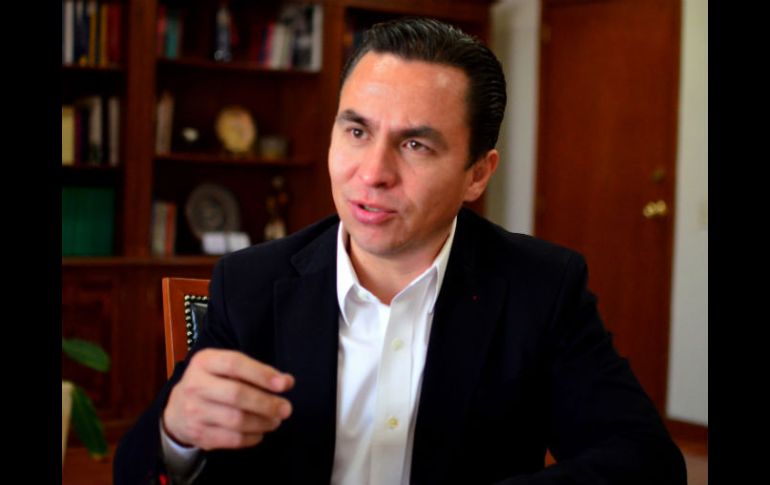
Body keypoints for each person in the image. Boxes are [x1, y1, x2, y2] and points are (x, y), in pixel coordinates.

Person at [115, 17, 686, 485]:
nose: (372, 173)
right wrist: (176, 431)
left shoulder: (541, 287)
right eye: (356, 131)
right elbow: (137, 467)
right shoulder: (250, 282)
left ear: (477, 175)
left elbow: (646, 461)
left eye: (415, 144)